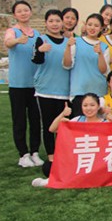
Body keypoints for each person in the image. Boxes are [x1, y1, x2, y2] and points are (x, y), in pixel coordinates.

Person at [31, 93, 107, 187]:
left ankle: (53, 181)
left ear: (98, 106)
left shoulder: (105, 123)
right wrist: (62, 115)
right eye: (85, 105)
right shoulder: (77, 120)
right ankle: (54, 180)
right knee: (48, 166)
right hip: (77, 160)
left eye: (92, 105)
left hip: (97, 162)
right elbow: (52, 129)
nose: (88, 108)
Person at [5, 0, 43, 167]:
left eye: (25, 10)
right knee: (20, 120)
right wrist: (17, 40)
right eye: (19, 11)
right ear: (15, 14)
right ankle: (23, 154)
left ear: (30, 12)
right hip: (18, 85)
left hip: (35, 85)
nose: (23, 13)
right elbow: (8, 42)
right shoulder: (12, 32)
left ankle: (35, 152)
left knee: (35, 120)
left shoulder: (37, 34)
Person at [32, 9, 70, 167]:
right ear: (46, 23)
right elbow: (36, 60)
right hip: (46, 90)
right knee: (48, 125)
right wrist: (40, 51)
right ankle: (51, 157)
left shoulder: (68, 42)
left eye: (57, 21)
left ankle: (64, 154)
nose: (55, 24)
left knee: (63, 125)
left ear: (62, 23)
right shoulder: (41, 40)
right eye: (51, 21)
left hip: (65, 91)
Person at [63, 13, 110, 117]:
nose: (92, 28)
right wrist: (68, 46)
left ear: (101, 28)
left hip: (98, 92)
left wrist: (100, 54)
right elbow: (67, 65)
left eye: (96, 25)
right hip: (79, 91)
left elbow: (103, 70)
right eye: (90, 24)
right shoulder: (76, 42)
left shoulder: (104, 47)